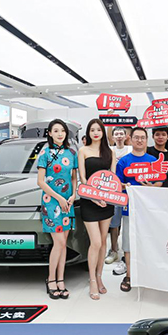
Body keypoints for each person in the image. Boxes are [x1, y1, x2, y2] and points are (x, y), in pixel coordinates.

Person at [116, 127, 162, 292]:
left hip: (148, 210)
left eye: (143, 137)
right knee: (128, 243)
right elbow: (118, 184)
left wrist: (151, 187)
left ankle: (147, 274)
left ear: (147, 139)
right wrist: (125, 186)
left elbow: (160, 182)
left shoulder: (153, 160)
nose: (140, 140)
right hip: (129, 208)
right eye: (136, 137)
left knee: (148, 242)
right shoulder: (123, 161)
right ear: (130, 139)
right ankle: (129, 275)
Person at [37, 119, 78, 299]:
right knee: (59, 243)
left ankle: (61, 279)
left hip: (67, 202)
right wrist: (59, 198)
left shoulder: (71, 153)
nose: (60, 134)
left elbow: (74, 178)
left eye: (62, 130)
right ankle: (51, 279)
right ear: (50, 133)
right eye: (56, 130)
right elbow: (40, 182)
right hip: (51, 202)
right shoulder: (44, 153)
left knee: (64, 243)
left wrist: (73, 195)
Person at [79, 119, 116, 300]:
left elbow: (113, 178)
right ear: (88, 132)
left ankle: (100, 276)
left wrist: (106, 197)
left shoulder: (110, 152)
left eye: (98, 130)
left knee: (103, 241)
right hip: (89, 200)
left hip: (106, 202)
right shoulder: (83, 151)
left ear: (103, 132)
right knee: (95, 242)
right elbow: (83, 179)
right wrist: (94, 197)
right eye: (92, 130)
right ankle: (92, 279)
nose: (95, 133)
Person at [105, 127, 132, 265]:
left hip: (128, 191)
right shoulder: (109, 150)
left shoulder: (130, 149)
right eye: (116, 134)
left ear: (126, 136)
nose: (119, 136)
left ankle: (130, 251)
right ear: (113, 137)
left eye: (122, 133)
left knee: (129, 223)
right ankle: (114, 250)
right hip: (114, 192)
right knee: (114, 223)